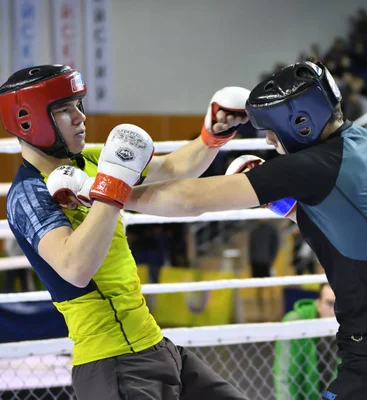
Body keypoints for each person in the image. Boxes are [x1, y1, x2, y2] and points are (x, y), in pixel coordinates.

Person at [57, 60, 367, 399]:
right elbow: (343, 224)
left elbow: (192, 198)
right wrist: (285, 206)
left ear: (300, 122)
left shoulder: (314, 165)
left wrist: (107, 191)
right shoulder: (359, 142)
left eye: (272, 131)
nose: (270, 141)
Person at [0, 64, 249, 400]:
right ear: (27, 120)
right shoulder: (28, 193)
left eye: (78, 105)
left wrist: (212, 135)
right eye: (63, 110)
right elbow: (74, 267)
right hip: (112, 363)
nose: (80, 117)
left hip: (153, 342)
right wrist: (111, 188)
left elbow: (175, 168)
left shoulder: (90, 162)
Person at [274, 283, 337, 400]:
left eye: (341, 304)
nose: (335, 311)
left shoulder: (353, 327)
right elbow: (285, 378)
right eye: (330, 303)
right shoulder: (295, 323)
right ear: (318, 304)